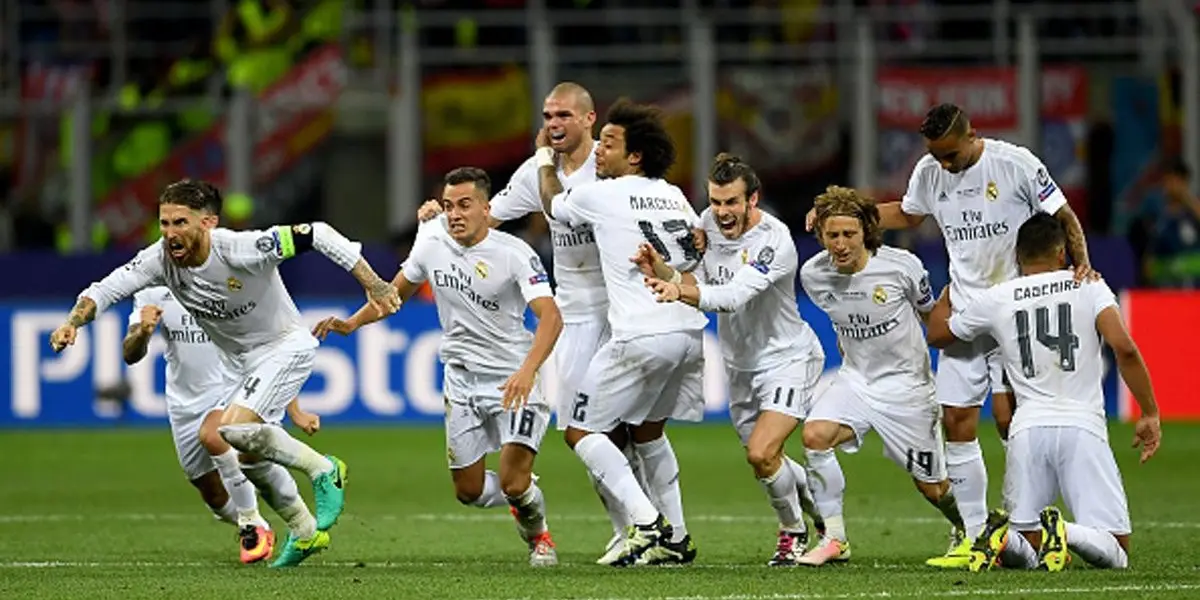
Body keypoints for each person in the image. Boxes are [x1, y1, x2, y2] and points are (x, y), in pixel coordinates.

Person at [49, 179, 400, 567]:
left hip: (284, 346)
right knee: (249, 458)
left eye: (180, 222)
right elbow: (104, 289)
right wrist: (72, 323)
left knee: (229, 431)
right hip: (241, 364)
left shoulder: (240, 249)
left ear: (208, 223)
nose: (170, 233)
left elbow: (317, 233)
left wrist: (376, 285)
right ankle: (304, 532)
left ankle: (324, 469)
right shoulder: (158, 260)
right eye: (164, 223)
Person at [806, 103, 1095, 568]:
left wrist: (1082, 264)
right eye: (935, 155)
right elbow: (907, 214)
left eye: (950, 154)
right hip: (965, 309)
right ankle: (976, 538)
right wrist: (840, 215)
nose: (943, 164)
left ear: (972, 135)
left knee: (1011, 420)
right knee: (957, 421)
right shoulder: (929, 171)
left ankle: (1034, 524)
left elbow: (1063, 215)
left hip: (1012, 310)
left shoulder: (1015, 163)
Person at [416, 83, 660, 562]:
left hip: (628, 307)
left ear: (589, 119)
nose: (553, 124)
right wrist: (437, 222)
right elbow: (486, 218)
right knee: (589, 429)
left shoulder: (610, 164)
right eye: (548, 116)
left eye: (563, 115)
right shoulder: (535, 170)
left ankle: (661, 526)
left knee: (640, 429)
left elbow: (643, 206)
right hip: (578, 315)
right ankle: (630, 528)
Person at [313, 167, 563, 567]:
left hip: (512, 379)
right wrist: (352, 322)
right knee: (468, 491)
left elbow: (551, 317)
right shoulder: (431, 244)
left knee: (513, 482)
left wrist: (528, 370)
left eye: (465, 205)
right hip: (460, 380)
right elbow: (392, 295)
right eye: (449, 206)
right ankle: (522, 494)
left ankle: (540, 537)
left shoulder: (515, 253)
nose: (455, 214)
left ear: (486, 208)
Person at [926, 212, 1161, 572]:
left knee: (1028, 545)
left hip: (1027, 431)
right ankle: (1064, 530)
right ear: (1062, 252)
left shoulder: (999, 296)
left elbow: (939, 334)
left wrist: (950, 292)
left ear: (1017, 256)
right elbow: (1124, 348)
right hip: (1082, 427)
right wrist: (1149, 412)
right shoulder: (1089, 285)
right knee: (1116, 549)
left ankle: (1002, 537)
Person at [537, 98, 706, 566]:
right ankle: (677, 538)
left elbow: (553, 205)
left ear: (634, 156)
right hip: (688, 331)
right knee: (648, 433)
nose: (598, 150)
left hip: (641, 333)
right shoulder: (674, 194)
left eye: (609, 144)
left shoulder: (603, 194)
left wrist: (544, 159)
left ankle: (647, 523)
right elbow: (697, 246)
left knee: (580, 430)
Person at [636, 153, 826, 566]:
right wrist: (663, 271)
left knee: (761, 453)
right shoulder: (706, 224)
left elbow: (733, 296)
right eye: (716, 202)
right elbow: (700, 281)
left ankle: (793, 532)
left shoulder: (774, 240)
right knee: (766, 461)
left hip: (786, 357)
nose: (722, 212)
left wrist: (678, 292)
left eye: (732, 203)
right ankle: (824, 516)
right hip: (740, 364)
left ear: (752, 199)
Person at [795, 185, 966, 566]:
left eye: (849, 234)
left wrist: (955, 361)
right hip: (856, 380)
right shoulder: (814, 274)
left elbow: (930, 316)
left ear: (866, 232)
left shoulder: (902, 267)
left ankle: (969, 527)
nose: (841, 244)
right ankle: (834, 538)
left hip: (908, 387)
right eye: (832, 235)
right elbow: (840, 320)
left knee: (933, 489)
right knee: (815, 435)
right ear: (821, 234)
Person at [123, 286, 322, 564]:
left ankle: (253, 523)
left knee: (214, 435)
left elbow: (272, 351)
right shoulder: (152, 290)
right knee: (213, 494)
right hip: (184, 403)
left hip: (230, 388)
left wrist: (295, 410)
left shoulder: (227, 280)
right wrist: (143, 333)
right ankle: (257, 524)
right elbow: (130, 355)